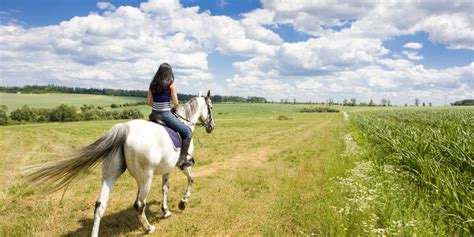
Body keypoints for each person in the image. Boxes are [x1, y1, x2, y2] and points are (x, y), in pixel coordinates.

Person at [147, 63, 193, 169]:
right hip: (165, 114)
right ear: (169, 73)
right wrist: (173, 107)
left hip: (153, 115)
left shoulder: (152, 85)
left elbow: (149, 102)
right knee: (187, 133)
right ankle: (182, 160)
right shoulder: (171, 84)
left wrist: (157, 105)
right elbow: (176, 103)